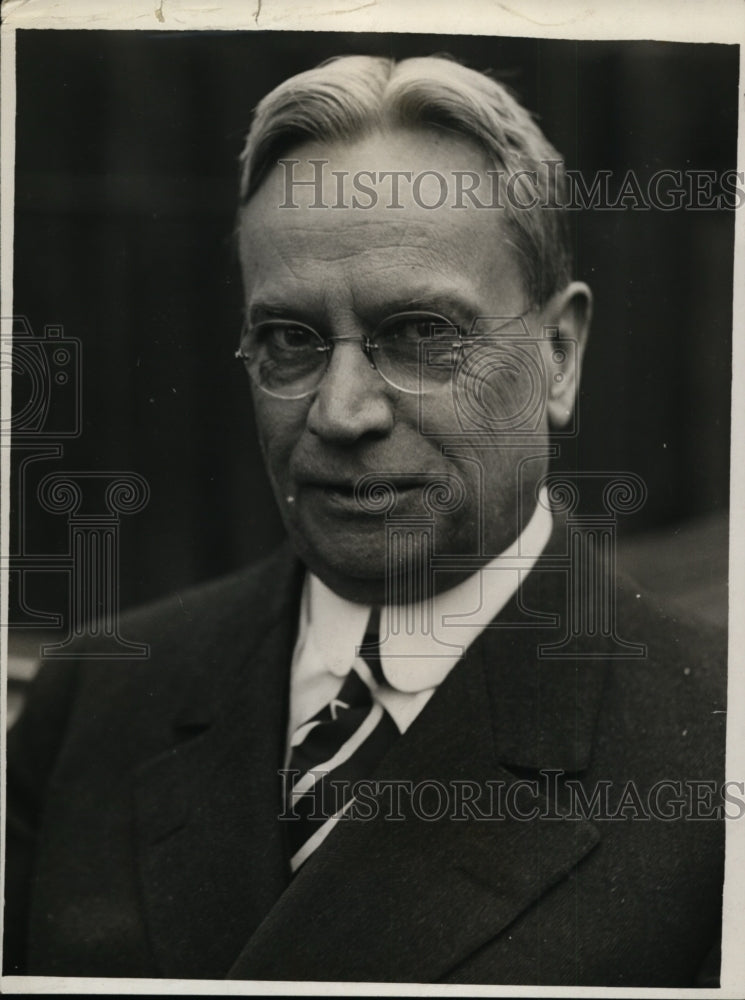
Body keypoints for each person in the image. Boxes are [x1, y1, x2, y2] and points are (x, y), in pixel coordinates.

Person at [4, 55, 726, 986]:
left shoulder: (709, 751)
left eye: (421, 333)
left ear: (558, 353)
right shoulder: (98, 702)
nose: (343, 413)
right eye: (289, 341)